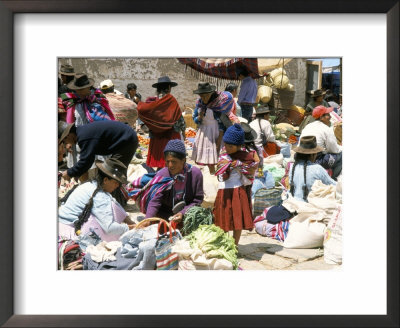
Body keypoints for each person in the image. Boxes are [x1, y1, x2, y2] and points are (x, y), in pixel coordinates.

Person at [58, 158, 136, 248]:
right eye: (115, 182)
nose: (117, 186)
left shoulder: (90, 184)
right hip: (68, 233)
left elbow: (113, 201)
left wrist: (129, 221)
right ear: (106, 180)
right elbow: (109, 228)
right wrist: (130, 227)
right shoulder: (100, 196)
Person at [129, 139, 204, 227]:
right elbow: (155, 200)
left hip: (187, 213)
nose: (170, 165)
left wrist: (182, 213)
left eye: (174, 162)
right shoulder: (162, 175)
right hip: (165, 215)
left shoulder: (195, 174)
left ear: (183, 160)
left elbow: (197, 200)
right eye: (167, 161)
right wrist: (148, 219)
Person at [60, 73, 116, 181]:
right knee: (83, 166)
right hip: (80, 140)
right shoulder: (73, 101)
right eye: (77, 89)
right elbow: (70, 122)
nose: (79, 92)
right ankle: (85, 187)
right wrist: (68, 141)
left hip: (98, 139)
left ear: (88, 87)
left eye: (82, 89)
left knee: (100, 167)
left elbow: (107, 117)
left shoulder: (99, 99)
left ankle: (99, 186)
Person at [213, 124, 260, 246]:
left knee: (237, 220)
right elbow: (220, 167)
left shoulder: (246, 157)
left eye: (231, 146)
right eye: (226, 144)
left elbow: (252, 168)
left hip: (237, 191)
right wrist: (232, 164)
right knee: (223, 220)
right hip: (223, 190)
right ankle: (224, 245)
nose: (227, 148)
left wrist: (239, 164)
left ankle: (235, 245)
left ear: (239, 146)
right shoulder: (224, 155)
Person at [58, 120, 138, 182]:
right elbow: (86, 161)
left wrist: (69, 173)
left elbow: (86, 162)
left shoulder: (84, 137)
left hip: (127, 140)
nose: (66, 143)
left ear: (68, 135)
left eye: (65, 141)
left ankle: (117, 199)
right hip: (125, 138)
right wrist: (76, 173)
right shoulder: (82, 133)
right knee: (111, 173)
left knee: (114, 174)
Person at [136, 76, 185, 169]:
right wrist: (183, 130)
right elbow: (179, 119)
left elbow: (143, 111)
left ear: (158, 89)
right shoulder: (171, 100)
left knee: (160, 163)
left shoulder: (154, 102)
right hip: (170, 136)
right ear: (169, 88)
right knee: (171, 161)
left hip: (157, 136)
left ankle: (159, 177)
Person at [192, 82, 238, 155]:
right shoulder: (199, 104)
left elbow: (222, 123)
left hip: (216, 133)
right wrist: (199, 117)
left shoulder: (218, 105)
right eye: (202, 96)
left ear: (211, 94)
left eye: (206, 95)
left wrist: (219, 140)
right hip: (204, 134)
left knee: (217, 155)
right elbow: (195, 119)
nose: (204, 98)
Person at [300, 105, 342, 180]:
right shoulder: (326, 129)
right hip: (316, 160)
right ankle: (333, 179)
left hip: (302, 158)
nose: (330, 117)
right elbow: (334, 150)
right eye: (328, 115)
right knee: (341, 155)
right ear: (321, 117)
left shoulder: (308, 126)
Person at [289, 135, 336, 202]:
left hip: (293, 203)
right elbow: (333, 185)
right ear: (312, 155)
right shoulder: (317, 169)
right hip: (309, 206)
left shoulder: (292, 167)